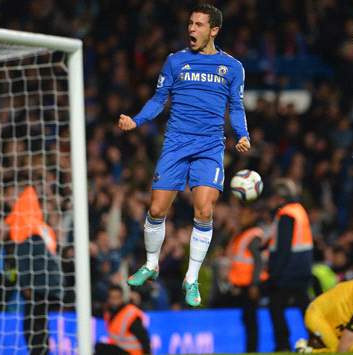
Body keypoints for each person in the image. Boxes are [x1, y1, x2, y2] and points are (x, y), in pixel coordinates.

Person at [118, 3, 250, 307]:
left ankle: (191, 278)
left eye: (199, 25)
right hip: (176, 143)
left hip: (209, 147)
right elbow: (158, 99)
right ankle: (151, 264)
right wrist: (136, 120)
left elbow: (237, 106)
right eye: (190, 23)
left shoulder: (232, 67)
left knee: (204, 210)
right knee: (157, 209)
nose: (192, 29)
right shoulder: (175, 62)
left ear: (213, 30)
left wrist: (242, 135)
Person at [3, 186, 62, 355]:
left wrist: (26, 284)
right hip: (51, 285)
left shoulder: (26, 226)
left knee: (32, 326)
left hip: (38, 286)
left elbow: (25, 257)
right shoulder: (43, 227)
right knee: (41, 325)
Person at [267, 178, 313, 351]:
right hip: (302, 268)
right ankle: (317, 338)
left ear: (280, 197)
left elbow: (284, 249)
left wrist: (274, 274)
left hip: (288, 272)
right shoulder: (299, 210)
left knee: (276, 306)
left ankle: (282, 344)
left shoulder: (286, 214)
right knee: (305, 308)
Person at [226, 202, 267, 352]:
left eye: (244, 215)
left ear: (252, 215)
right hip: (242, 284)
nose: (240, 218)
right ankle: (250, 349)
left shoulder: (254, 235)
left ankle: (252, 350)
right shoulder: (243, 233)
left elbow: (258, 261)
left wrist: (254, 285)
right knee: (247, 318)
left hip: (250, 284)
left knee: (251, 319)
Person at [95, 286, 151, 355]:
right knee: (99, 347)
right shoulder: (109, 312)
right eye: (112, 298)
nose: (114, 301)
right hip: (120, 349)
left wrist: (147, 353)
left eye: (117, 298)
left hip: (133, 352)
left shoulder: (130, 313)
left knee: (101, 348)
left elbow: (144, 338)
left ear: (121, 298)